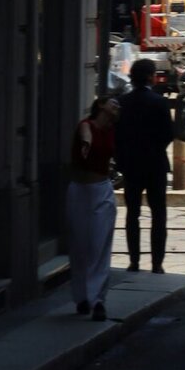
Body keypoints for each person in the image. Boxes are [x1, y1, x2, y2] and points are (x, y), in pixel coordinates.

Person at [115, 56, 173, 273]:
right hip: (155, 163)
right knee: (159, 214)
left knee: (132, 214)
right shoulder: (159, 102)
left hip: (131, 164)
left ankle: (134, 261)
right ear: (151, 77)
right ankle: (157, 263)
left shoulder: (122, 102)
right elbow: (168, 133)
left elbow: (117, 135)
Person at [68, 95, 120, 318]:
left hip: (101, 190)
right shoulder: (86, 125)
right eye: (113, 103)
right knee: (79, 245)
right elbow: (85, 135)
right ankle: (81, 297)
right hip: (79, 190)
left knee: (100, 245)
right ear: (100, 105)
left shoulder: (112, 132)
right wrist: (87, 144)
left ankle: (97, 299)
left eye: (119, 106)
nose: (117, 106)